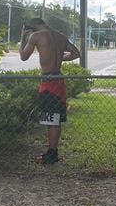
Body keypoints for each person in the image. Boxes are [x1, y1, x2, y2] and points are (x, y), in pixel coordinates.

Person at [19, 17, 80, 164]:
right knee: (56, 119)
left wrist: (22, 37)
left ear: (32, 28)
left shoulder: (36, 36)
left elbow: (23, 56)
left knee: (51, 120)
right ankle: (53, 152)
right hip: (59, 80)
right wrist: (58, 57)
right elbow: (76, 53)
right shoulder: (60, 36)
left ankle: (52, 154)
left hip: (48, 82)